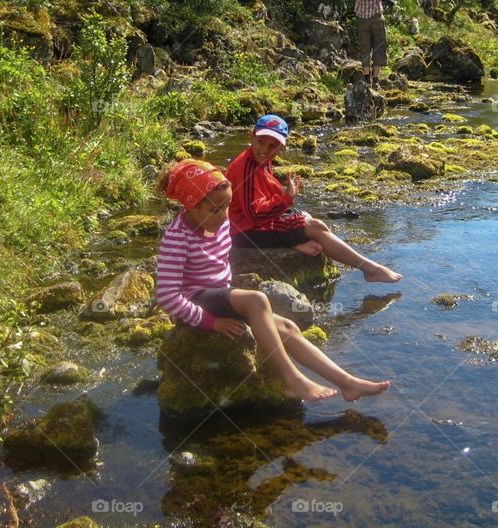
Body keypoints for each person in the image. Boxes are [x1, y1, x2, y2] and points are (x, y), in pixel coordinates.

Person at [155, 158, 392, 402]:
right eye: (215, 209)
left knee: (288, 327)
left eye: (227, 205)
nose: (224, 215)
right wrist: (210, 322)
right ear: (190, 206)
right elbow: (166, 296)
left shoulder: (220, 223)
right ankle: (293, 380)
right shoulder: (177, 237)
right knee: (257, 301)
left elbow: (255, 233)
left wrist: (294, 242)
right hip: (196, 301)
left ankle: (348, 383)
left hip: (219, 295)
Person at [225, 114, 402, 283]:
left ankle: (294, 242)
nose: (264, 149)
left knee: (306, 215)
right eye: (261, 142)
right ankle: (370, 269)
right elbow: (254, 215)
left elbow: (261, 202)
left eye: (272, 146)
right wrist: (287, 197)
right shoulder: (247, 166)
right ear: (252, 137)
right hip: (242, 231)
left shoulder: (259, 160)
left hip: (250, 225)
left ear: (281, 148)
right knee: (315, 227)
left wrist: (285, 200)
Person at [337, 0, 404, 87]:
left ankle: (367, 77)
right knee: (379, 47)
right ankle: (376, 79)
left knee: (365, 48)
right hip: (377, 18)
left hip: (362, 20)